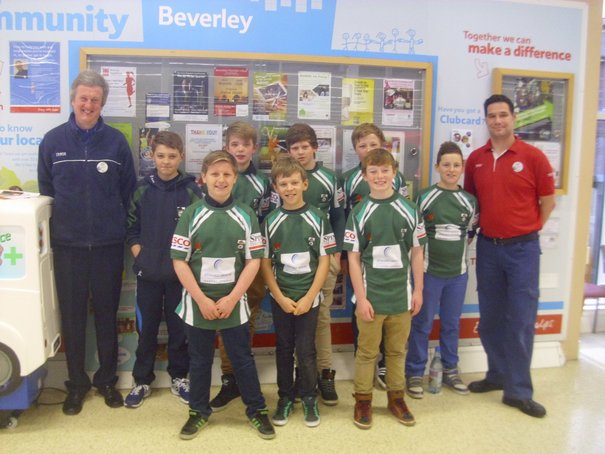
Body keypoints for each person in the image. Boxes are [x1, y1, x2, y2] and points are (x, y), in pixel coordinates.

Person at [37, 70, 136, 415]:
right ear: (73, 99)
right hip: (68, 248)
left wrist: (118, 230)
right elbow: (46, 196)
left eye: (95, 99)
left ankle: (107, 381)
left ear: (102, 102)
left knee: (107, 316)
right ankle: (76, 384)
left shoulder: (116, 142)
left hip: (109, 246)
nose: (89, 104)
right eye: (83, 98)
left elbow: (128, 193)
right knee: (74, 318)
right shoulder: (51, 142)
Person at [171, 150, 275, 441]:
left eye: (227, 174)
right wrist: (202, 300)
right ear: (204, 178)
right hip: (197, 303)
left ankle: (256, 410)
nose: (221, 179)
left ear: (235, 178)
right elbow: (179, 261)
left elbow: (254, 261)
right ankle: (198, 412)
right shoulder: (190, 214)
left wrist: (231, 298)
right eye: (215, 174)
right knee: (200, 360)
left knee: (241, 358)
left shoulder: (246, 214)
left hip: (235, 302)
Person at [463, 94, 556, 418]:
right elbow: (473, 203)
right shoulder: (475, 159)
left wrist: (528, 230)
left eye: (503, 115)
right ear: (486, 120)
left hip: (523, 250)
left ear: (514, 118)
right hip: (489, 249)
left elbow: (547, 201)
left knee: (519, 321)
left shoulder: (533, 157)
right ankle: (497, 375)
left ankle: (518, 391)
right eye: (492, 116)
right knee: (489, 321)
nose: (498, 121)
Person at [343, 148, 426, 429]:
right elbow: (353, 259)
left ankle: (396, 398)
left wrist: (418, 291)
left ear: (395, 173)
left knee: (396, 351)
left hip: (401, 298)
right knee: (367, 353)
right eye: (373, 171)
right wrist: (361, 299)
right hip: (371, 299)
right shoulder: (359, 211)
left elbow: (416, 253)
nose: (380, 176)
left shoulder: (410, 209)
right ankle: (363, 400)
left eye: (385, 170)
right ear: (365, 176)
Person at [124, 131, 203, 408]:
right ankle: (141, 380)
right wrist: (141, 255)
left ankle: (180, 378)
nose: (166, 162)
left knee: (179, 330)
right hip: (148, 275)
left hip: (181, 278)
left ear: (181, 156)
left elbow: (199, 232)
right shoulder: (141, 189)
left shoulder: (193, 190)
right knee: (146, 331)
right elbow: (131, 229)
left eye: (172, 156)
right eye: (160, 156)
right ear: (152, 156)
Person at [261, 156, 336, 428]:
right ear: (276, 188)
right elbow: (266, 264)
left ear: (305, 183)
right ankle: (284, 397)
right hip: (281, 299)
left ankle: (308, 396)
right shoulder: (270, 222)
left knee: (306, 351)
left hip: (309, 298)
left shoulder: (318, 218)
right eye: (283, 184)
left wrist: (308, 297)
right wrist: (280, 297)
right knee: (283, 348)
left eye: (294, 182)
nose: (289, 188)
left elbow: (325, 261)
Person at [208, 121, 276, 411]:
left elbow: (268, 220)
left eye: (245, 145)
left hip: (254, 259)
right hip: (222, 259)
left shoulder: (263, 183)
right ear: (227, 146)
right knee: (225, 315)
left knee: (247, 315)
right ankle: (228, 378)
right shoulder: (219, 177)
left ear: (253, 148)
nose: (240, 150)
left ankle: (242, 371)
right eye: (234, 144)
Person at [405, 141, 478, 399]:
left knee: (451, 324)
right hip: (428, 273)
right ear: (437, 167)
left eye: (456, 165)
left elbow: (470, 233)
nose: (451, 169)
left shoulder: (470, 201)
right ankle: (414, 371)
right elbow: (416, 236)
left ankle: (450, 369)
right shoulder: (425, 198)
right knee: (422, 324)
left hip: (457, 275)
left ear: (463, 168)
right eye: (446, 164)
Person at [341, 123, 408, 389]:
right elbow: (343, 216)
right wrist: (346, 256)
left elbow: (400, 215)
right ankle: (365, 359)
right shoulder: (348, 180)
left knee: (391, 314)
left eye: (373, 143)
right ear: (356, 150)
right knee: (363, 308)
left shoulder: (395, 178)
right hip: (360, 256)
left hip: (393, 261)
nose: (368, 149)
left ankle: (384, 366)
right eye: (362, 145)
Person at [285, 123, 345, 405]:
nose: (299, 152)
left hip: (324, 258)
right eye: (294, 148)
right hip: (291, 263)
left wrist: (338, 252)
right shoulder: (284, 177)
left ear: (314, 147)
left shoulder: (331, 179)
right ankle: (302, 375)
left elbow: (338, 216)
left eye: (304, 147)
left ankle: (325, 374)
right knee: (297, 319)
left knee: (320, 317)